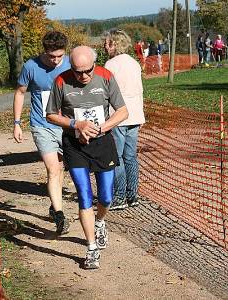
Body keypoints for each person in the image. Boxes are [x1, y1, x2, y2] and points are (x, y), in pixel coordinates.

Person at [46, 46, 128, 269]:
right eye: (77, 71)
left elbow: (123, 111)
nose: (82, 76)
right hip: (75, 144)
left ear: (94, 64)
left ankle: (100, 221)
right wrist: (76, 124)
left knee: (106, 196)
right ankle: (91, 248)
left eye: (87, 71)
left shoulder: (105, 76)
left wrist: (100, 129)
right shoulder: (61, 81)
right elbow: (51, 114)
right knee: (84, 195)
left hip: (102, 142)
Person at [13, 31, 71, 235]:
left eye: (60, 56)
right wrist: (17, 123)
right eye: (52, 56)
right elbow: (20, 92)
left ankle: (54, 206)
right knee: (53, 169)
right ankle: (60, 215)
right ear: (44, 51)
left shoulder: (71, 64)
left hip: (66, 125)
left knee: (63, 168)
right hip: (42, 125)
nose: (56, 61)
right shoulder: (31, 66)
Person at [103, 29, 145, 210]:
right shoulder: (134, 63)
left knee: (117, 157)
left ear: (114, 44)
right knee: (130, 157)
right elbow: (140, 90)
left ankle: (119, 196)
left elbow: (106, 92)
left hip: (118, 116)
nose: (105, 45)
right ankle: (132, 195)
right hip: (135, 115)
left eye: (107, 42)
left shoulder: (110, 65)